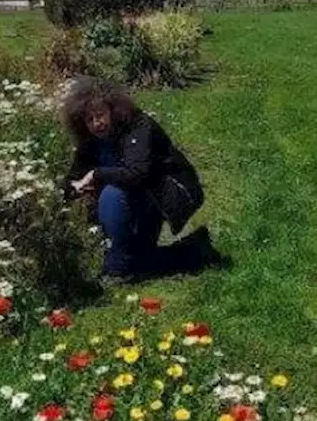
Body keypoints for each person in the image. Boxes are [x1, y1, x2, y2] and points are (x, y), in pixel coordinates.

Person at [62, 76, 225, 283]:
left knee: (112, 195)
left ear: (112, 110)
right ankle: (195, 249)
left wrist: (96, 175)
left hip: (166, 192)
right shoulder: (90, 142)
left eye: (100, 115)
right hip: (140, 196)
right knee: (141, 263)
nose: (97, 124)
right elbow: (72, 178)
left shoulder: (138, 126)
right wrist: (73, 187)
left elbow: (137, 173)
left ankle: (117, 267)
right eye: (90, 120)